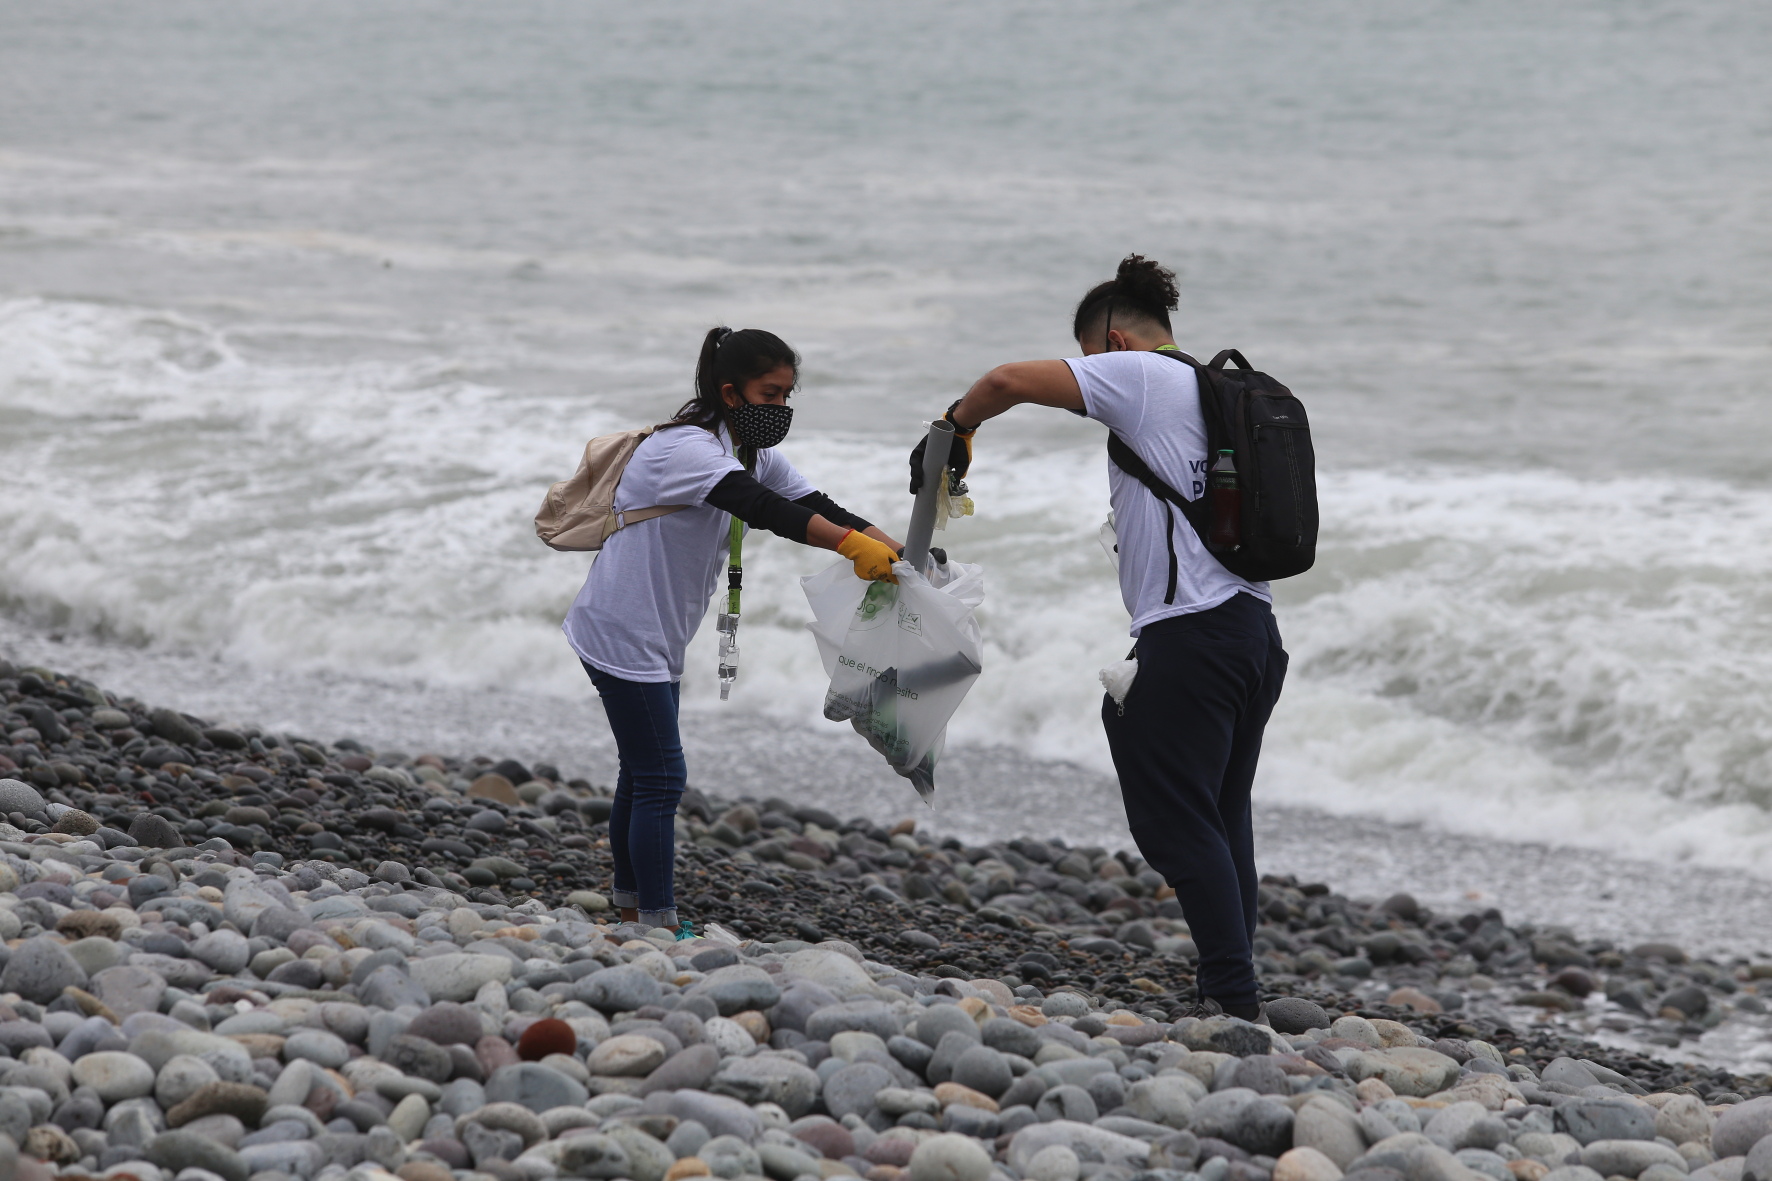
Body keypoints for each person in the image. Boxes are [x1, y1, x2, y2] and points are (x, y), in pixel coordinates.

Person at [910, 256, 1287, 1018]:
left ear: (1113, 341)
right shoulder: (1213, 389)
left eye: (1090, 361)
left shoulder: (1144, 376)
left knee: (1175, 819)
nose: (1089, 378)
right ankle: (1228, 987)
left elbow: (1008, 380)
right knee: (1221, 813)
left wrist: (956, 425)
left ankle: (1236, 1002)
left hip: (1191, 636)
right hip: (1254, 631)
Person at [565, 326, 901, 934]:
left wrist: (888, 544)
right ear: (729, 392)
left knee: (640, 772)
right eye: (769, 396)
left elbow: (812, 502)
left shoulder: (747, 448)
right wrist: (851, 548)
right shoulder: (686, 450)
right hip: (623, 631)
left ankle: (630, 905)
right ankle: (659, 926)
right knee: (663, 777)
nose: (781, 410)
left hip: (653, 633)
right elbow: (765, 509)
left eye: (787, 397)